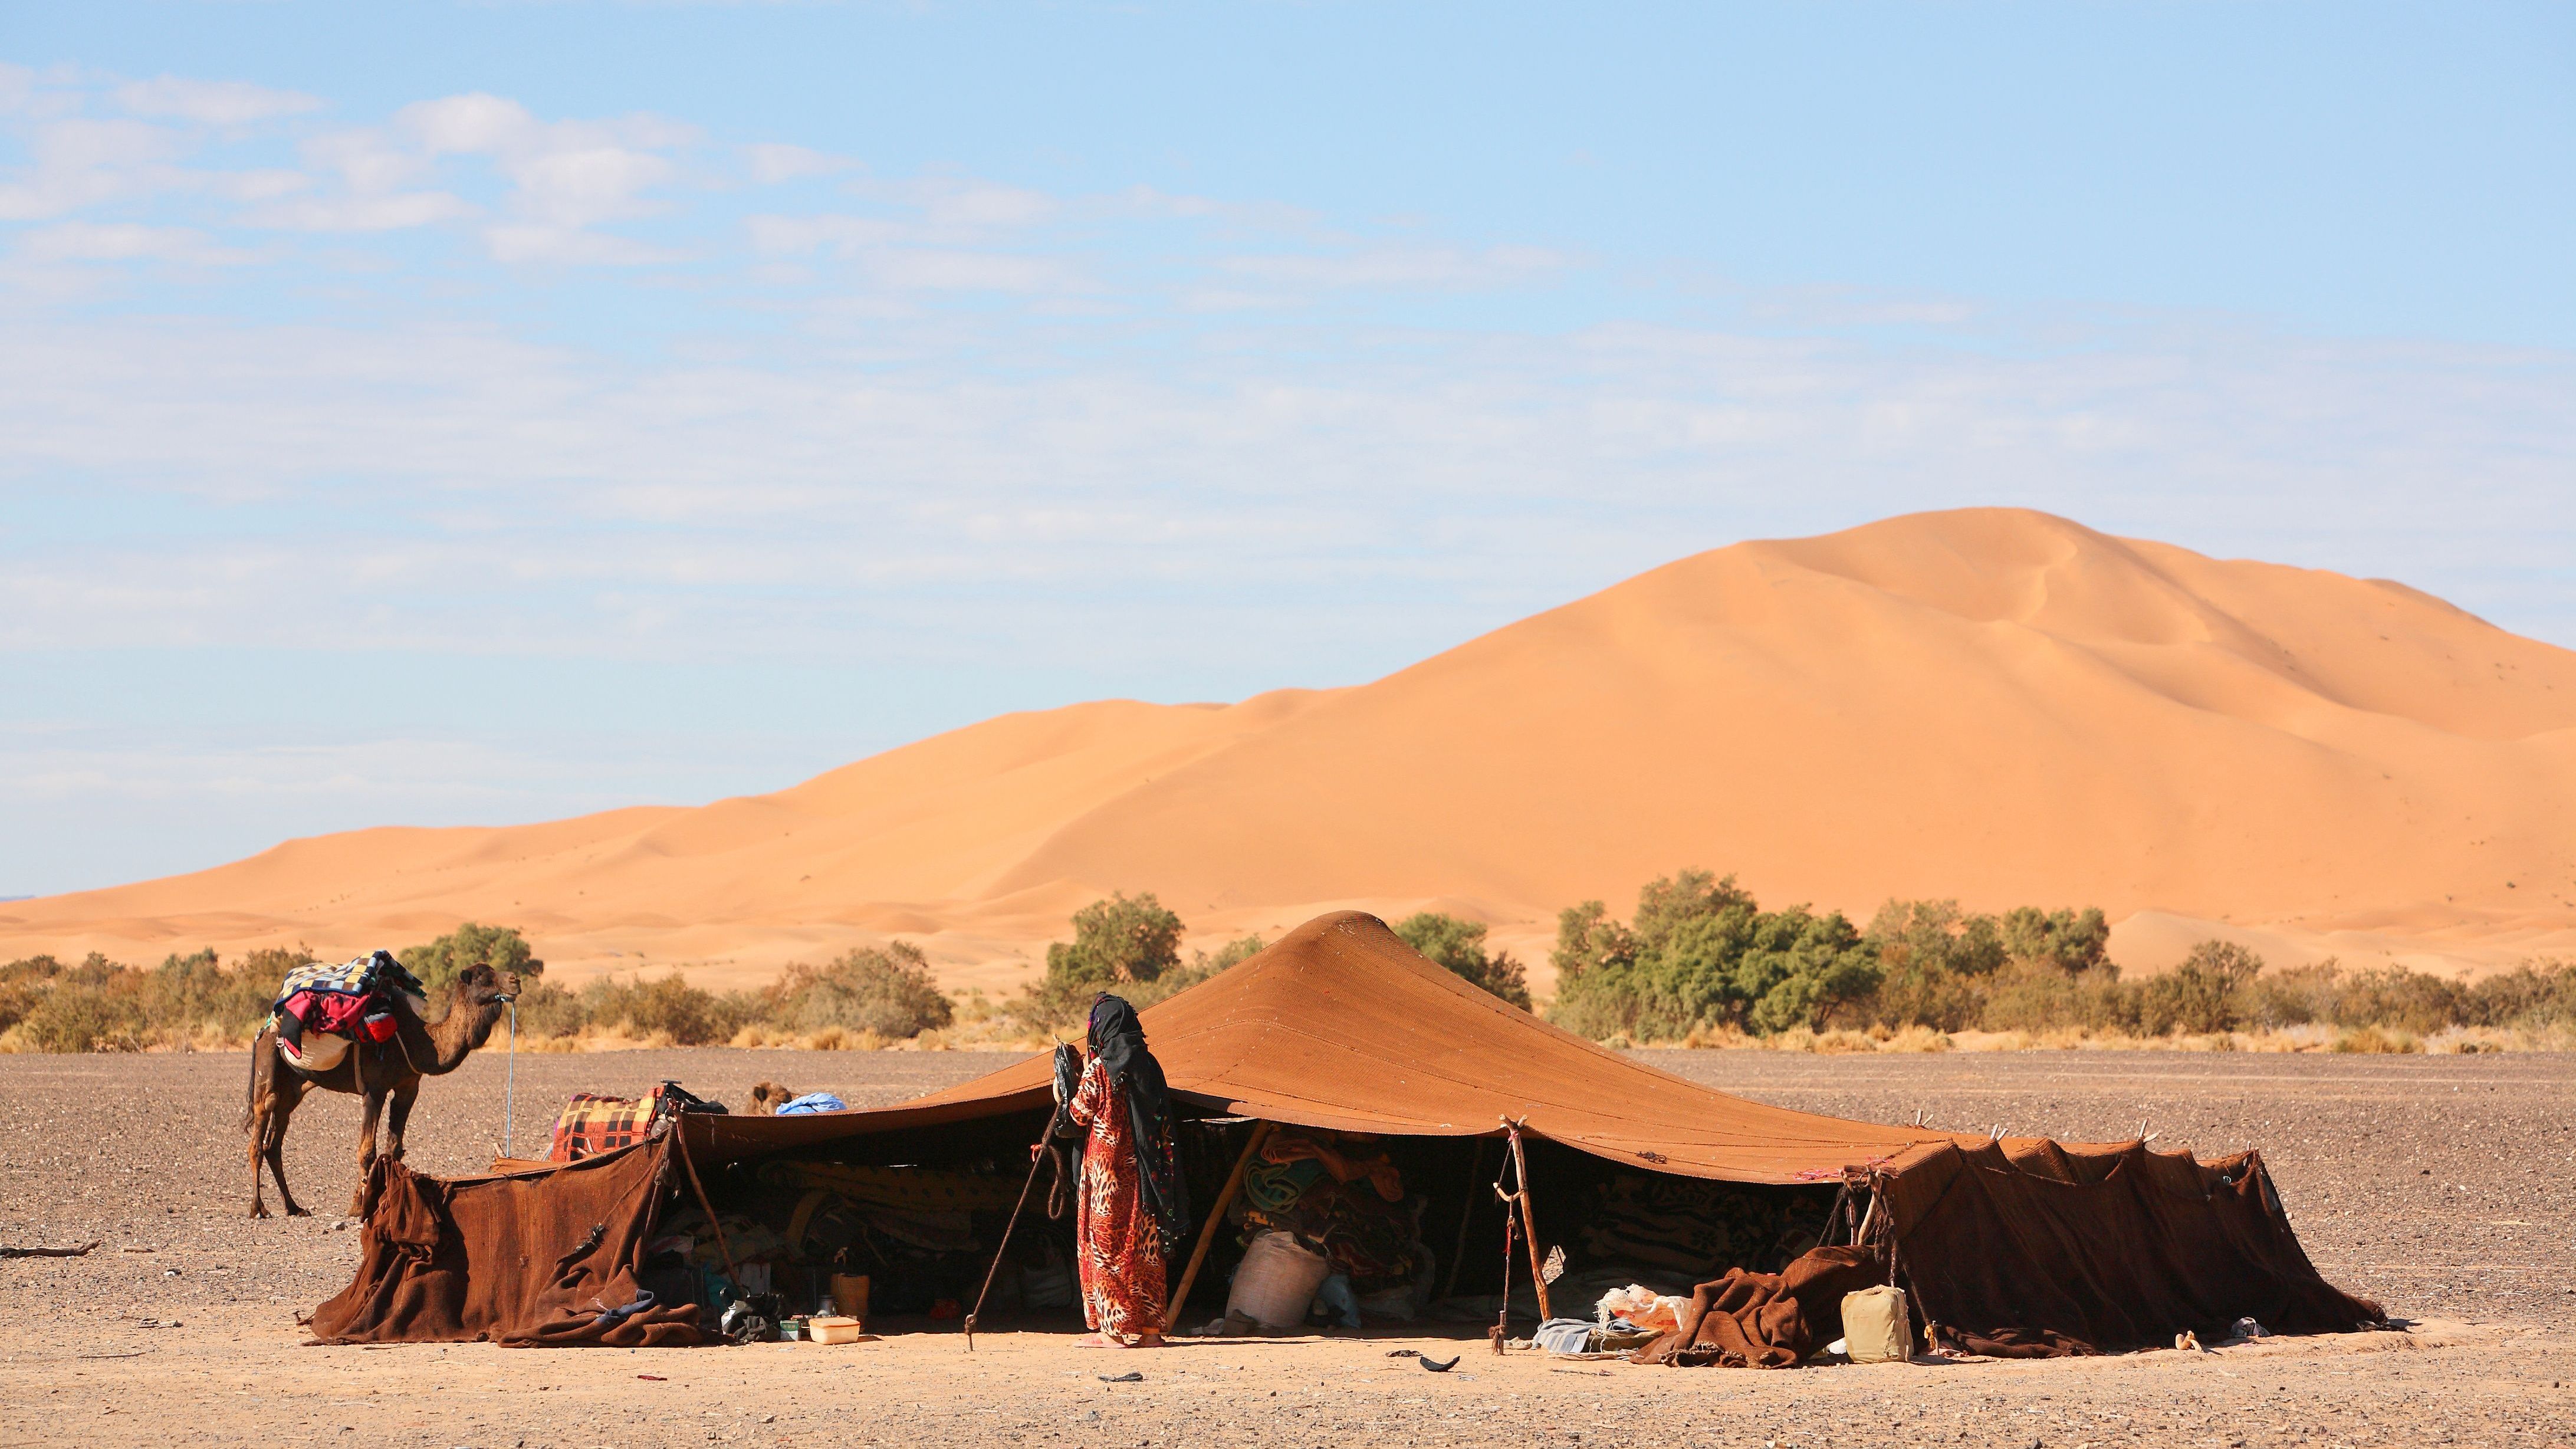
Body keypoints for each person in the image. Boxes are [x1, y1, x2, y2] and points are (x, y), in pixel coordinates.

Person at [1061, 993, 1190, 1346]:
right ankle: (1151, 1332)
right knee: (1146, 1249)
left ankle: (1112, 1332)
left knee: (1107, 1248)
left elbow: (1076, 1115)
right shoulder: (1149, 1064)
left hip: (1108, 1178)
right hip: (1149, 1178)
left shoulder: (1101, 1068)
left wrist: (1065, 1086)